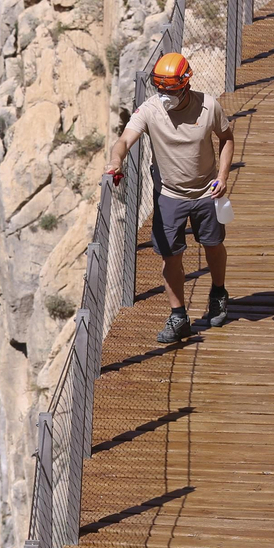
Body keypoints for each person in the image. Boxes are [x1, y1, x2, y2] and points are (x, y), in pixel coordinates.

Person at [105, 52, 235, 344]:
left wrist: (223, 178)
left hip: (206, 191)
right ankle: (178, 316)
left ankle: (218, 293)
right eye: (161, 89)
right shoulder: (150, 110)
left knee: (213, 245)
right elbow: (125, 139)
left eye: (171, 89)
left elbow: (227, 139)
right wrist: (116, 161)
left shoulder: (209, 107)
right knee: (170, 256)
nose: (165, 95)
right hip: (170, 195)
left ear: (186, 84)